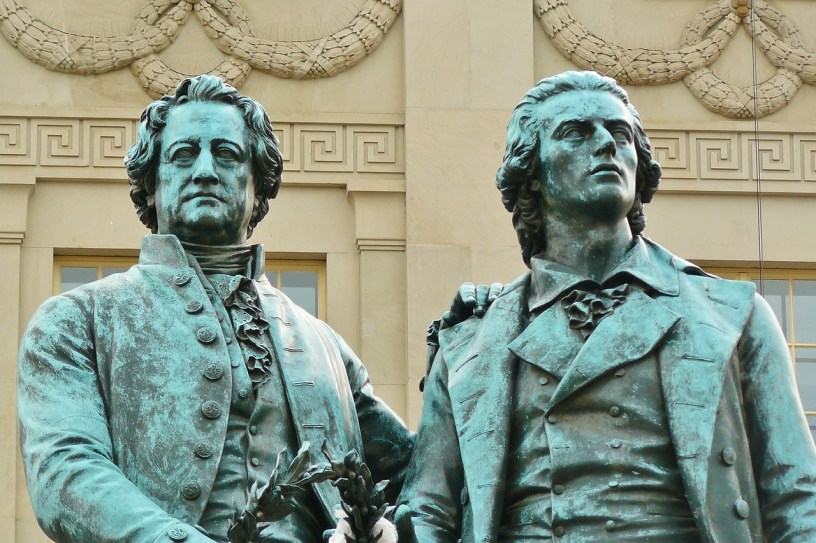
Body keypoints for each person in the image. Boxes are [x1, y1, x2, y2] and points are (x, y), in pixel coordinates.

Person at [17, 75, 488, 543]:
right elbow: (65, 472)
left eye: (226, 154)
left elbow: (429, 484)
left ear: (258, 185)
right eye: (183, 155)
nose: (204, 170)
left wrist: (473, 350)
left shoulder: (324, 346)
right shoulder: (78, 321)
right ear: (151, 183)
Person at [399, 70, 816, 542]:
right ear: (531, 175)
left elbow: (796, 496)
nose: (606, 144)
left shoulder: (732, 314)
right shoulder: (470, 343)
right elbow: (426, 510)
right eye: (576, 133)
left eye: (619, 133)